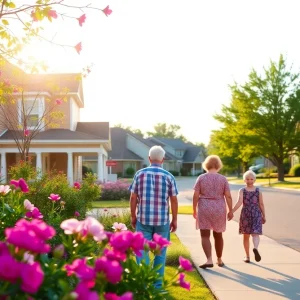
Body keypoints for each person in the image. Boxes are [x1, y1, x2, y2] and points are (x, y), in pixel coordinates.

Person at [129, 145, 178, 288]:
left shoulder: (139, 174)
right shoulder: (169, 176)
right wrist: (174, 219)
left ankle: (143, 284)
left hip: (143, 219)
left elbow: (133, 197)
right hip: (162, 221)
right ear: (163, 159)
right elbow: (173, 200)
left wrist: (133, 216)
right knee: (160, 254)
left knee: (142, 252)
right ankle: (157, 286)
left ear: (149, 158)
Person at [192, 155, 233, 268]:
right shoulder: (223, 179)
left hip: (204, 207)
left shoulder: (201, 178)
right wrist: (231, 210)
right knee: (218, 234)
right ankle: (219, 260)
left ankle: (209, 260)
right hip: (219, 208)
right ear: (218, 165)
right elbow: (228, 196)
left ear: (206, 165)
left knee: (205, 235)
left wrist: (194, 208)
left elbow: (195, 195)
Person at [232, 170, 266, 263]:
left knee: (246, 236)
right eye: (248, 179)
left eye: (251, 179)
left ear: (254, 180)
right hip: (256, 213)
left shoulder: (242, 190)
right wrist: (263, 215)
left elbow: (239, 202)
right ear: (244, 180)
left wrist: (231, 211)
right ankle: (255, 248)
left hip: (245, 214)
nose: (249, 181)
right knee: (255, 234)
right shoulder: (258, 191)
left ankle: (247, 256)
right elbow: (261, 204)